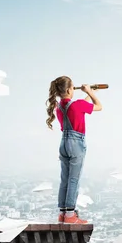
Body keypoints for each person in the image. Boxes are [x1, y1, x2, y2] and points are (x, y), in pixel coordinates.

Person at [46, 76, 102, 224]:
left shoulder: (59, 107)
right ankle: (70, 215)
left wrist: (89, 92)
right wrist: (90, 92)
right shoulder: (77, 105)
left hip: (63, 143)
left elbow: (80, 106)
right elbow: (99, 106)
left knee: (64, 178)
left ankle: (63, 213)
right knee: (74, 180)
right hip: (76, 143)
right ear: (70, 89)